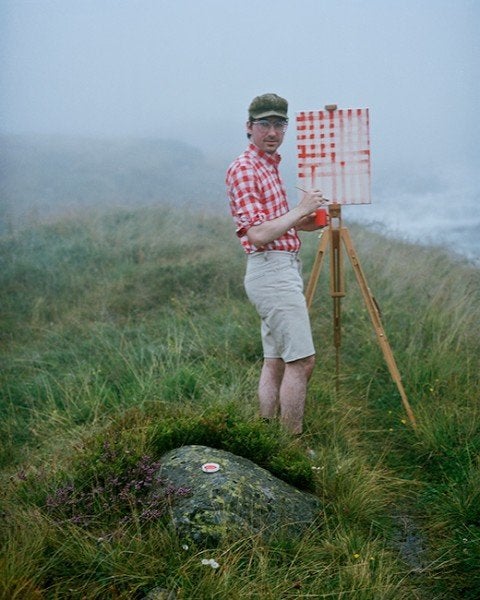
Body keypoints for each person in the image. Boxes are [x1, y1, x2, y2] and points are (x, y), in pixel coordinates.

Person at [226, 92, 326, 434]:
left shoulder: (268, 167)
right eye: (265, 124)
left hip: (281, 268)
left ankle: (267, 434)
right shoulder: (244, 168)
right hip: (271, 270)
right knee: (302, 361)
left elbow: (276, 224)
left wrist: (308, 219)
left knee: (277, 361)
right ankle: (291, 446)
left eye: (279, 124)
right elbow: (257, 233)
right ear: (249, 127)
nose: (273, 131)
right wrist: (300, 209)